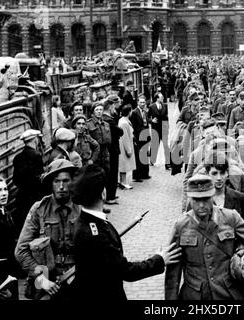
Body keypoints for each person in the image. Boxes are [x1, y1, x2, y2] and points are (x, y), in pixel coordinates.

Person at [72, 164, 181, 300]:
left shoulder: (85, 221)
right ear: (103, 193)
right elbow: (126, 271)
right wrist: (159, 260)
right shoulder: (94, 233)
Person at [165, 174, 244, 300]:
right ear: (190, 199)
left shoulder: (230, 218)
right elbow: (173, 273)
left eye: (206, 199)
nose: (201, 205)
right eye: (196, 200)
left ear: (213, 195)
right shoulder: (181, 226)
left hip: (228, 293)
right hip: (194, 296)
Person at [15, 159, 80, 300]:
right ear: (51, 183)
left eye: (66, 181)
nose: (61, 186)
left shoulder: (81, 208)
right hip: (46, 279)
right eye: (57, 181)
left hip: (77, 277)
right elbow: (21, 251)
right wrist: (41, 279)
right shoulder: (39, 209)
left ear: (72, 182)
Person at [203, 153, 244, 232]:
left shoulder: (239, 198)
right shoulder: (201, 200)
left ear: (227, 173)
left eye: (222, 173)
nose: (219, 178)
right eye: (214, 173)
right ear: (207, 174)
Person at [12, 129, 45, 235]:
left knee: (23, 225)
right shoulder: (36, 156)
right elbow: (39, 179)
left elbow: (15, 180)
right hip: (34, 197)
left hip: (21, 197)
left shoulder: (17, 157)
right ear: (35, 140)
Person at [102, 97, 124, 205]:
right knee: (113, 172)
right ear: (110, 107)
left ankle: (110, 194)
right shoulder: (109, 120)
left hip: (109, 149)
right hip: (113, 149)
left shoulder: (104, 118)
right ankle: (110, 196)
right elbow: (119, 131)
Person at [130, 95, 152, 182]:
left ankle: (145, 174)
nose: (142, 104)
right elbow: (133, 126)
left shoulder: (145, 112)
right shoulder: (134, 112)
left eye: (144, 102)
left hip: (145, 136)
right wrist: (134, 138)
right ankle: (137, 175)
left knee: (145, 155)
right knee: (138, 156)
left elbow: (146, 124)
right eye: (141, 102)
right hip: (138, 137)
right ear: (138, 103)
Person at [148, 92, 170, 169]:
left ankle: (168, 164)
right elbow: (147, 117)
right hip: (155, 129)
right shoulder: (151, 106)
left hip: (164, 129)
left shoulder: (165, 105)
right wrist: (151, 121)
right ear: (157, 98)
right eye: (161, 97)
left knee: (166, 146)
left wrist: (167, 127)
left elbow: (167, 117)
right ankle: (152, 160)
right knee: (155, 145)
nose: (163, 98)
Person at [118, 105, 136, 190]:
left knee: (123, 165)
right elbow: (125, 137)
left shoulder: (122, 120)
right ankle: (123, 182)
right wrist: (128, 150)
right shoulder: (124, 123)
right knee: (124, 164)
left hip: (123, 145)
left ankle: (122, 181)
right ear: (129, 112)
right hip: (124, 146)